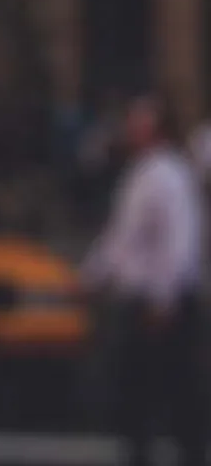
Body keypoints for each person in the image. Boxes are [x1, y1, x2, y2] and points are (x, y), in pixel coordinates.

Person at [81, 93, 204, 466]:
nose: (130, 130)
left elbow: (179, 241)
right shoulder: (139, 174)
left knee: (174, 389)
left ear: (156, 129)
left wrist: (164, 299)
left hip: (163, 303)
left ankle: (189, 454)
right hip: (138, 300)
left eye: (139, 123)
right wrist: (92, 274)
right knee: (135, 390)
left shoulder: (169, 175)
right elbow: (122, 237)